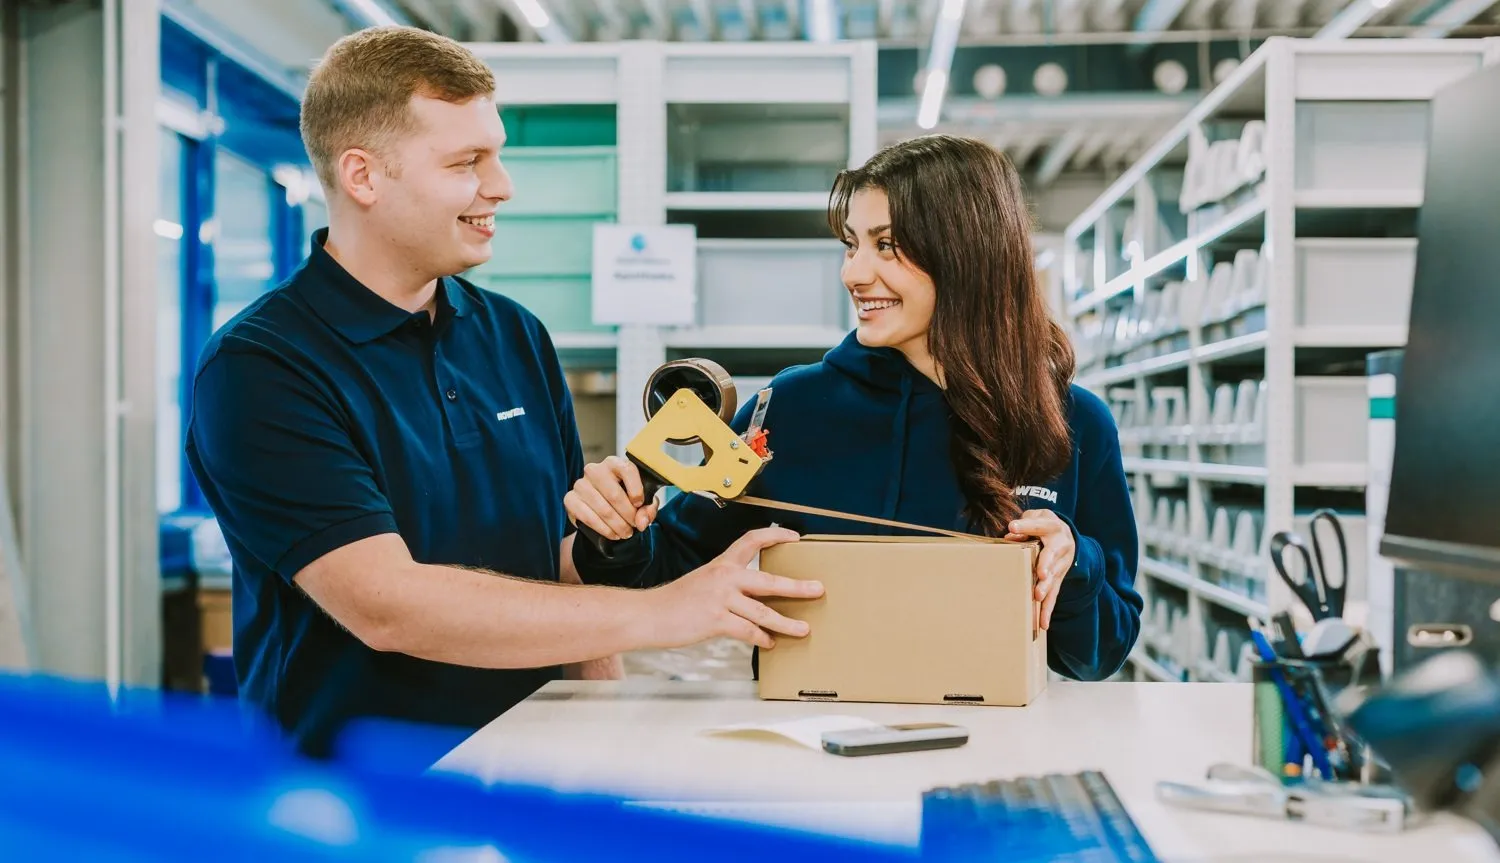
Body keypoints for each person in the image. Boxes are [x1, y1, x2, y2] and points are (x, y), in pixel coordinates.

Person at [184, 26, 822, 758]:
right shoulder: (262, 366)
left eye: (498, 154)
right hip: (363, 803)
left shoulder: (514, 334)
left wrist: (604, 547)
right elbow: (388, 605)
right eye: (467, 162)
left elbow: (547, 571)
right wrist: (664, 610)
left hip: (527, 774)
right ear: (363, 177)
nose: (502, 186)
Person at [567, 135, 1142, 681]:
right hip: (806, 747)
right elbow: (665, 567)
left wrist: (1076, 561)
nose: (853, 273)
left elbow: (1098, 657)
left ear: (968, 254)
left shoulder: (1073, 423)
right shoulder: (787, 407)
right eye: (852, 244)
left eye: (886, 246)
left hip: (984, 751)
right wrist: (616, 534)